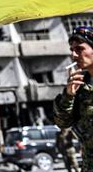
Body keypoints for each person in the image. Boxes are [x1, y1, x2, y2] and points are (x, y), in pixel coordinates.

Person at [53, 26, 93, 171]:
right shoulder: (79, 86)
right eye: (72, 50)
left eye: (79, 49)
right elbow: (62, 122)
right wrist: (69, 95)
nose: (74, 55)